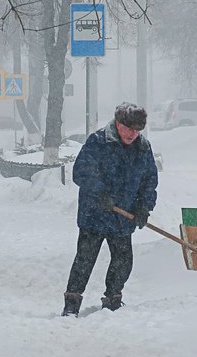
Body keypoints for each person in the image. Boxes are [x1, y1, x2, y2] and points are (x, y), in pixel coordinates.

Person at [63, 102, 158, 316]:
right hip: (94, 215)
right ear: (118, 123)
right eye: (130, 128)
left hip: (123, 218)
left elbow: (149, 181)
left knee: (123, 262)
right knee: (85, 261)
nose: (133, 134)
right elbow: (81, 172)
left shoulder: (143, 147)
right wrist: (100, 192)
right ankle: (71, 305)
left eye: (138, 130)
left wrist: (144, 207)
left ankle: (113, 300)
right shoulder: (98, 142)